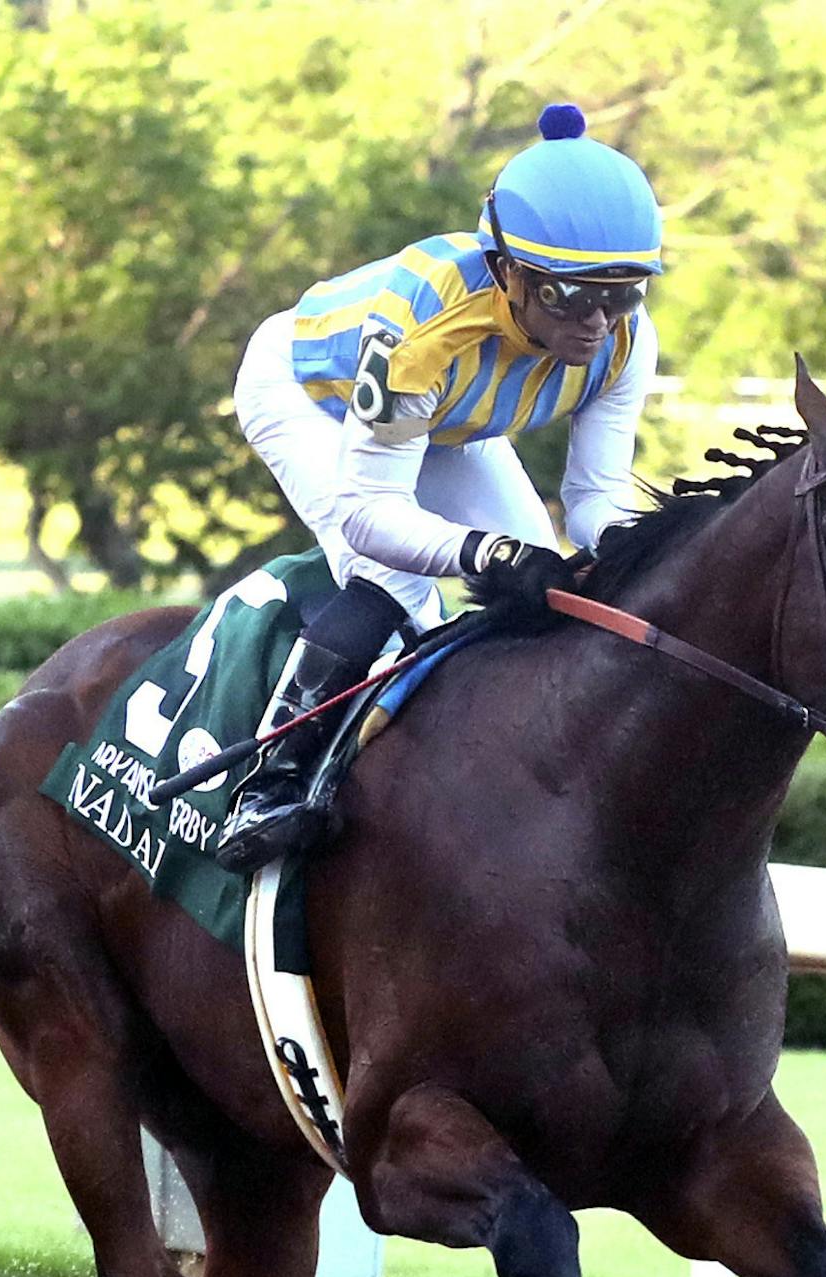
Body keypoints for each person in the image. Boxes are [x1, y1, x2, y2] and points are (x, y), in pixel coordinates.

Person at [216, 102, 664, 871]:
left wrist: (644, 554)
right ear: (507, 272)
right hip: (306, 394)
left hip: (449, 421)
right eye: (569, 295)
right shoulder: (423, 333)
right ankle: (268, 783)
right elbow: (367, 515)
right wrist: (478, 552)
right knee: (398, 581)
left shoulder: (625, 342)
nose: (597, 323)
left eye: (620, 293)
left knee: (541, 579)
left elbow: (594, 501)